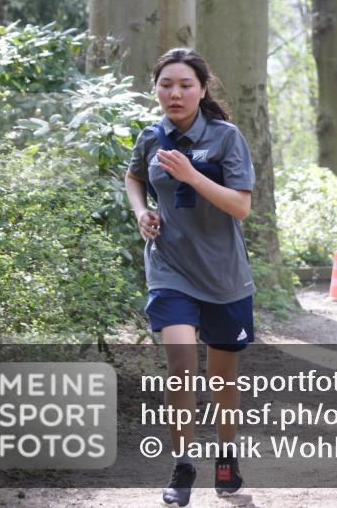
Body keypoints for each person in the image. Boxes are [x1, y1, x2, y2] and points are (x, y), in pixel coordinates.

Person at [125, 48, 255, 507]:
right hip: (169, 268)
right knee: (181, 368)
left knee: (223, 378)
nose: (175, 93)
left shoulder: (225, 138)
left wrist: (193, 177)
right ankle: (182, 465)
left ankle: (227, 453)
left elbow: (241, 206)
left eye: (185, 85)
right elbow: (134, 177)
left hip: (224, 276)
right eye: (166, 85)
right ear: (156, 89)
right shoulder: (150, 136)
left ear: (202, 90)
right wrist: (142, 212)